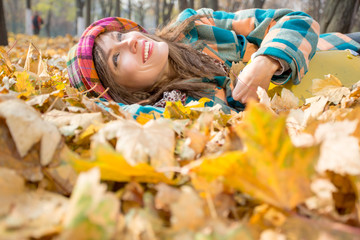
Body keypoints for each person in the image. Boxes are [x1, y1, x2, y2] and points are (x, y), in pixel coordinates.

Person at [66, 8, 360, 115]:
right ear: (118, 92)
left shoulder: (195, 27)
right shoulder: (172, 112)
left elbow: (294, 19)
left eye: (121, 35)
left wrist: (267, 60)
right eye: (117, 58)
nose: (130, 42)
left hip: (341, 51)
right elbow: (110, 112)